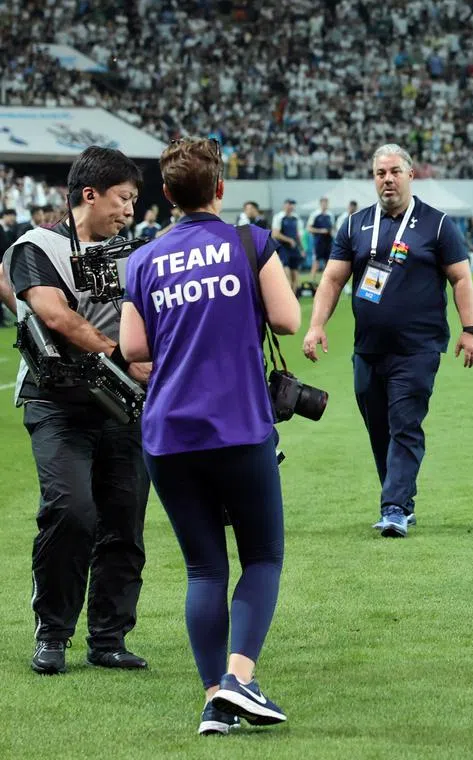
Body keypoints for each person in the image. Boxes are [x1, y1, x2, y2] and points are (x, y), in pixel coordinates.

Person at [119, 137, 300, 735]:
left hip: (168, 432)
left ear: (166, 195)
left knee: (203, 569)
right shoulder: (249, 242)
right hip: (239, 424)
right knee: (263, 556)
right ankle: (241, 679)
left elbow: (133, 349)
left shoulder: (143, 259)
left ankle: (214, 701)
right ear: (220, 189)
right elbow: (286, 319)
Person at [0, 147, 151, 675]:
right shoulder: (35, 246)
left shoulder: (137, 254)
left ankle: (109, 638)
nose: (130, 210)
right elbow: (54, 314)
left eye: (133, 200)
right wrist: (122, 357)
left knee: (125, 523)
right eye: (123, 198)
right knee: (70, 512)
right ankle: (53, 632)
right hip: (57, 404)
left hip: (126, 410)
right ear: (90, 194)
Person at [302, 144, 473, 537]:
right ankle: (400, 496)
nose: (387, 179)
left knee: (405, 424)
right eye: (380, 173)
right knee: (379, 428)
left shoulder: (437, 225)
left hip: (417, 349)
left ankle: (395, 507)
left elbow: (461, 279)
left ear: (410, 174)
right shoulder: (354, 225)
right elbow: (332, 279)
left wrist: (471, 330)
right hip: (367, 349)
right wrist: (316, 325)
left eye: (394, 171)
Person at [271, 199, 304, 293]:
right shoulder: (279, 217)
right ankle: (287, 297)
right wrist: (289, 240)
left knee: (295, 276)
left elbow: (298, 235)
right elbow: (275, 234)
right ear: (284, 205)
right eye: (289, 204)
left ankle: (293, 297)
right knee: (287, 275)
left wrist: (302, 249)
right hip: (283, 248)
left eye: (292, 205)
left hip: (294, 249)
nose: (291, 206)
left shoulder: (296, 218)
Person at [306, 196, 335, 283]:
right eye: (323, 203)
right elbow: (309, 228)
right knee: (316, 262)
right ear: (320, 204)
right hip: (318, 242)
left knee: (328, 262)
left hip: (328, 242)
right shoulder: (315, 214)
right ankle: (312, 281)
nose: (325, 204)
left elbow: (333, 227)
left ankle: (326, 281)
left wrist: (331, 232)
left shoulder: (330, 215)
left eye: (326, 203)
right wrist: (321, 231)